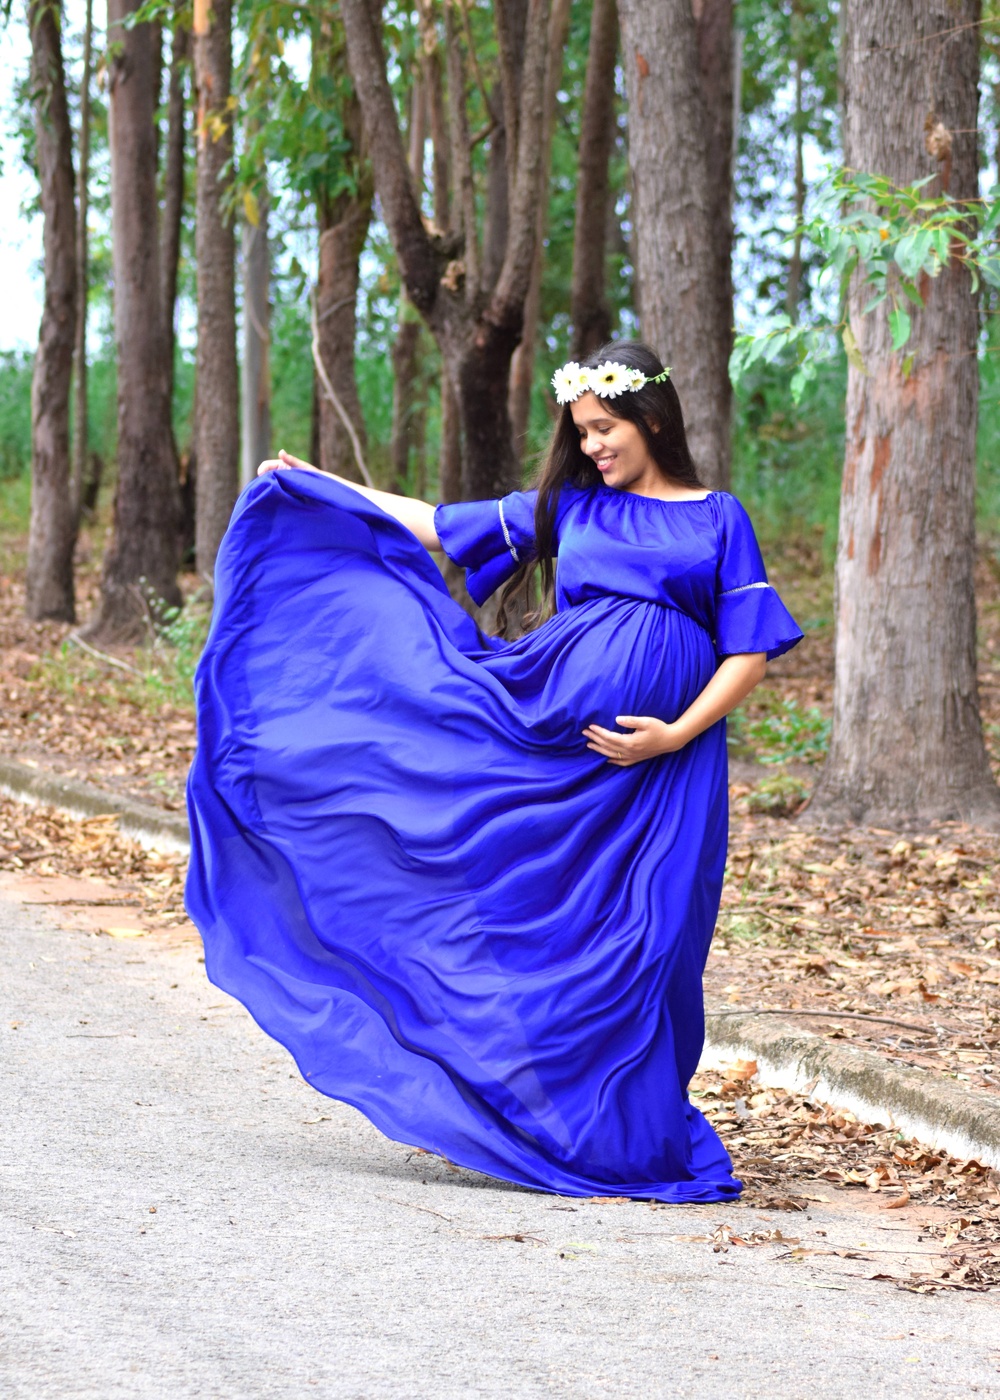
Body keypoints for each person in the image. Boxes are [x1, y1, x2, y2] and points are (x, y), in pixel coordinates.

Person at [185, 340, 803, 1203]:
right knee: (558, 931)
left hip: (667, 770)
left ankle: (633, 1137)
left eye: (605, 427)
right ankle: (556, 1123)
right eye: (581, 431)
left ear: (653, 419)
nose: (591, 445)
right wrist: (328, 487)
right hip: (554, 750)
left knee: (655, 942)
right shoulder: (573, 510)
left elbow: (748, 652)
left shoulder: (717, 518)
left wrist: (674, 734)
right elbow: (440, 523)